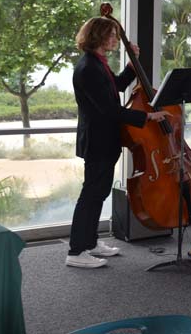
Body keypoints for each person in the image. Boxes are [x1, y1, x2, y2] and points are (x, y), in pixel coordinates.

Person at [67, 17, 171, 269]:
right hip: (98, 141)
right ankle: (76, 251)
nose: (115, 39)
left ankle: (90, 243)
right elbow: (109, 110)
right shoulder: (88, 68)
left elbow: (114, 88)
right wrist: (147, 116)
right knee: (91, 195)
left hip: (106, 139)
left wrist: (129, 69)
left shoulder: (98, 64)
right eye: (111, 35)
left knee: (99, 193)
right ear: (97, 37)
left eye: (115, 35)